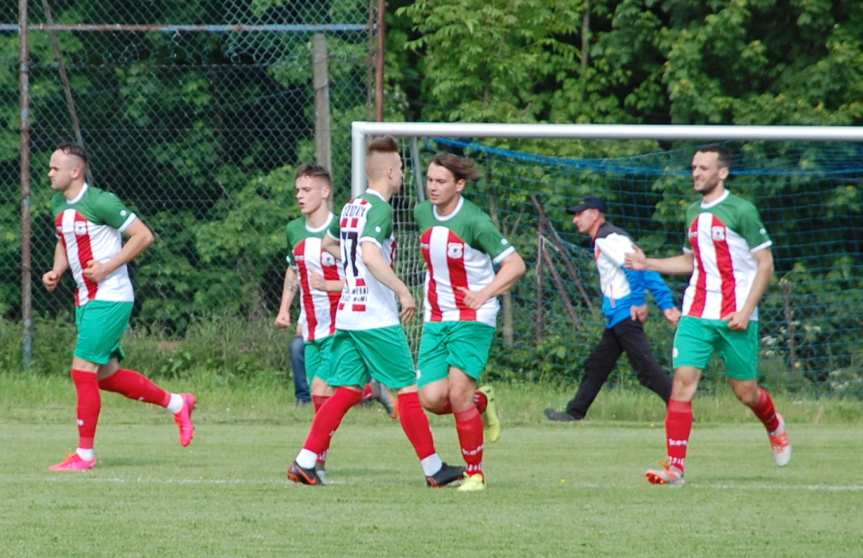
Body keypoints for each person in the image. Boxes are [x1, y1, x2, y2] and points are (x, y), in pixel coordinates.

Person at [287, 137, 463, 487]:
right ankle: (433, 469)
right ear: (388, 171)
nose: (402, 175)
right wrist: (401, 291)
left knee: (347, 391)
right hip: (374, 316)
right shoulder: (380, 208)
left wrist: (352, 267)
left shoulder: (352, 206)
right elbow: (368, 254)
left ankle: (305, 461)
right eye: (399, 168)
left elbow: (329, 244)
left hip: (349, 314)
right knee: (408, 391)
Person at [625, 144, 791, 486]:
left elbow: (766, 264)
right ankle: (675, 468)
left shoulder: (741, 210)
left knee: (746, 392)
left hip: (736, 315)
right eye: (694, 167)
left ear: (722, 172)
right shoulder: (691, 212)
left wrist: (746, 311)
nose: (696, 173)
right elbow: (691, 262)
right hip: (696, 312)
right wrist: (648, 263)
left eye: (703, 168)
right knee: (683, 384)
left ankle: (774, 425)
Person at [42, 143, 196, 472]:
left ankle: (85, 455)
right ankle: (178, 403)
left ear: (75, 171)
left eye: (55, 168)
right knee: (106, 376)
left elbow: (143, 236)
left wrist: (108, 266)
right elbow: (64, 241)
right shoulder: (57, 203)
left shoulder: (101, 201)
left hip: (110, 295)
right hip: (86, 299)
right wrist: (58, 270)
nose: (50, 173)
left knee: (81, 371)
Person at [415, 153, 525, 492]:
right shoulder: (421, 213)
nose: (433, 187)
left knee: (458, 393)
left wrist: (484, 294)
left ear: (459, 185)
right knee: (432, 399)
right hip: (435, 318)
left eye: (441, 181)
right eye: (430, 180)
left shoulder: (475, 221)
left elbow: (515, 265)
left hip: (473, 317)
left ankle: (474, 473)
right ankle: (482, 403)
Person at [544, 196, 680, 422]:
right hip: (619, 315)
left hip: (625, 313)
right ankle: (574, 412)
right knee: (597, 365)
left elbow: (635, 269)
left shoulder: (607, 238)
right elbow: (646, 269)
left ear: (595, 214)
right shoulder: (613, 237)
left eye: (580, 213)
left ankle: (682, 410)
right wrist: (666, 305)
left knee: (646, 370)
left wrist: (639, 301)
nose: (575, 219)